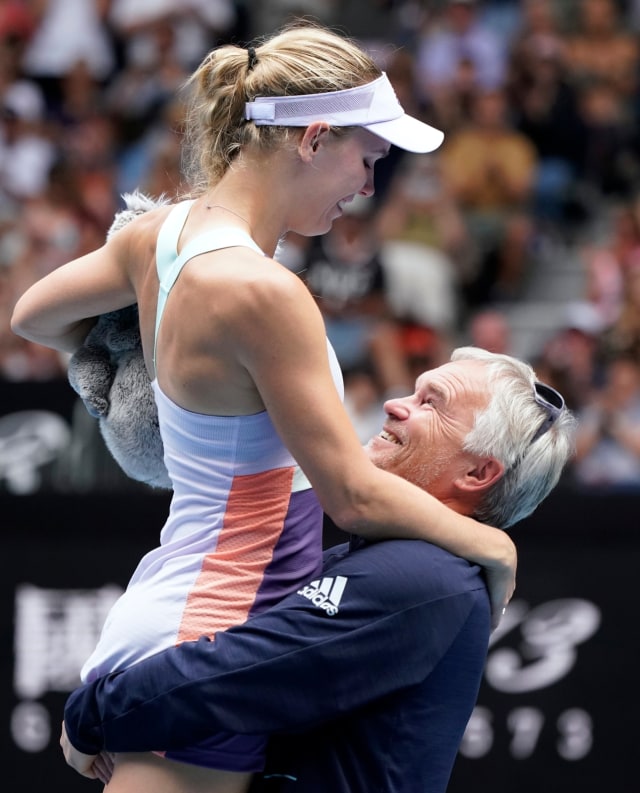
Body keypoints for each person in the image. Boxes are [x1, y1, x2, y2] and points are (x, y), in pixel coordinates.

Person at [11, 23, 517, 793]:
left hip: (189, 615)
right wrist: (497, 550)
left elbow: (35, 317)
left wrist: (137, 357)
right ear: (313, 139)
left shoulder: (161, 235)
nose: (369, 187)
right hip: (212, 632)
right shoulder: (265, 291)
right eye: (369, 158)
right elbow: (351, 492)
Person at [60, 346, 576, 793]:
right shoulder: (410, 563)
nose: (395, 405)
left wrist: (92, 714)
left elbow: (237, 672)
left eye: (429, 404)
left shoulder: (425, 577)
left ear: (478, 472)